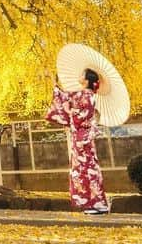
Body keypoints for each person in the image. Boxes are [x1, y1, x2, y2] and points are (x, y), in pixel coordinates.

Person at [47, 67, 110, 214]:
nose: (80, 76)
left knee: (87, 170)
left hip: (83, 138)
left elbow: (74, 111)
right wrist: (53, 81)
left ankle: (97, 204)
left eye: (82, 74)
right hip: (82, 137)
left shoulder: (85, 94)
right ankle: (95, 203)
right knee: (87, 169)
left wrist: (69, 113)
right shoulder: (86, 94)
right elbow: (66, 98)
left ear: (87, 80)